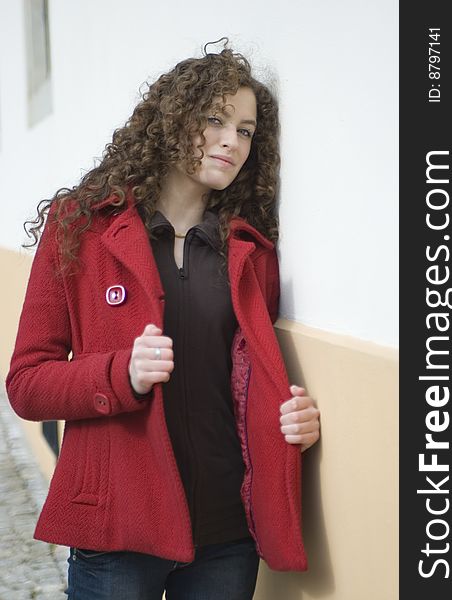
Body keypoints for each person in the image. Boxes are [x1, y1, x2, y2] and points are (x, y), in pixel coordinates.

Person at [6, 38, 320, 599]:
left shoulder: (251, 252)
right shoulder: (81, 227)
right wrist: (119, 374)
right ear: (174, 120)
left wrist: (292, 420)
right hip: (119, 532)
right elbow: (28, 385)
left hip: (226, 536)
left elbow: (246, 382)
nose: (232, 141)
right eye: (216, 119)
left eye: (246, 130)